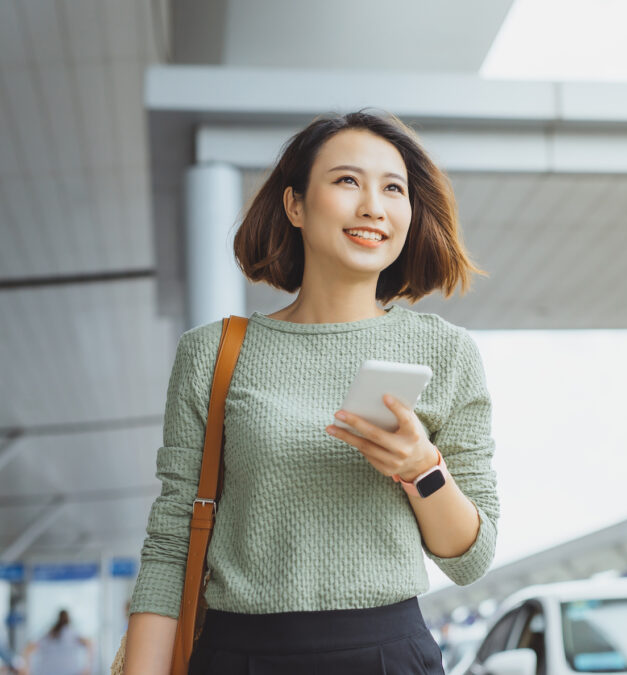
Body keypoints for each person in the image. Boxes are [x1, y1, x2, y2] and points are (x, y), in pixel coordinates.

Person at [121, 109, 500, 674]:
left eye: (393, 188)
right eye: (348, 181)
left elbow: (471, 557)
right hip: (237, 656)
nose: (373, 205)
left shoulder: (446, 352)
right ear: (295, 204)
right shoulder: (214, 353)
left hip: (386, 654)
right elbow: (172, 540)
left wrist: (422, 468)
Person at [20, 610, 93, 675]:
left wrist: (26, 668)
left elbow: (28, 649)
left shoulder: (49, 634)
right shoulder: (73, 634)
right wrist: (87, 667)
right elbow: (89, 644)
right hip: (70, 672)